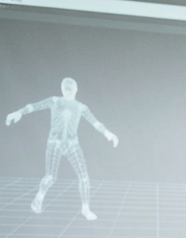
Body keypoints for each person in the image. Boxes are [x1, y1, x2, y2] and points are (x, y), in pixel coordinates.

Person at [5, 77, 118, 220]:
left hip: (71, 144)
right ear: (63, 90)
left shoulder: (79, 107)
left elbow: (95, 122)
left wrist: (108, 134)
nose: (68, 91)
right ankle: (38, 200)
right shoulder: (55, 101)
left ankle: (85, 208)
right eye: (66, 89)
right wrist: (19, 112)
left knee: (83, 177)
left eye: (70, 89)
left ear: (75, 90)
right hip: (55, 143)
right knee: (51, 176)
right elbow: (35, 106)